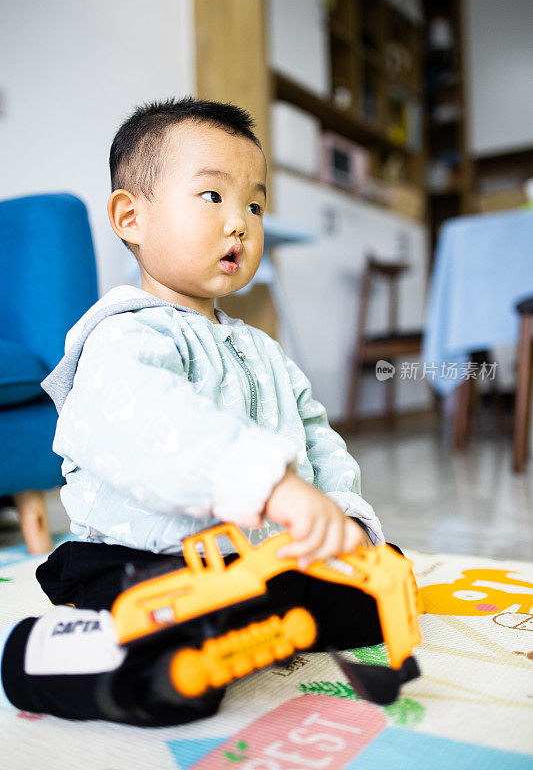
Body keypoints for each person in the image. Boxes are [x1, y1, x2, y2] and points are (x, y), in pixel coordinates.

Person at [1, 96, 398, 724]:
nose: (239, 222)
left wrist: (342, 515)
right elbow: (155, 428)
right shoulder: (122, 336)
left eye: (255, 205)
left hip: (255, 556)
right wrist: (271, 487)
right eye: (213, 197)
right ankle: (43, 654)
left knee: (377, 585)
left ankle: (254, 625)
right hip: (147, 558)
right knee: (176, 670)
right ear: (130, 217)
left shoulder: (261, 349)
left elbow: (316, 435)